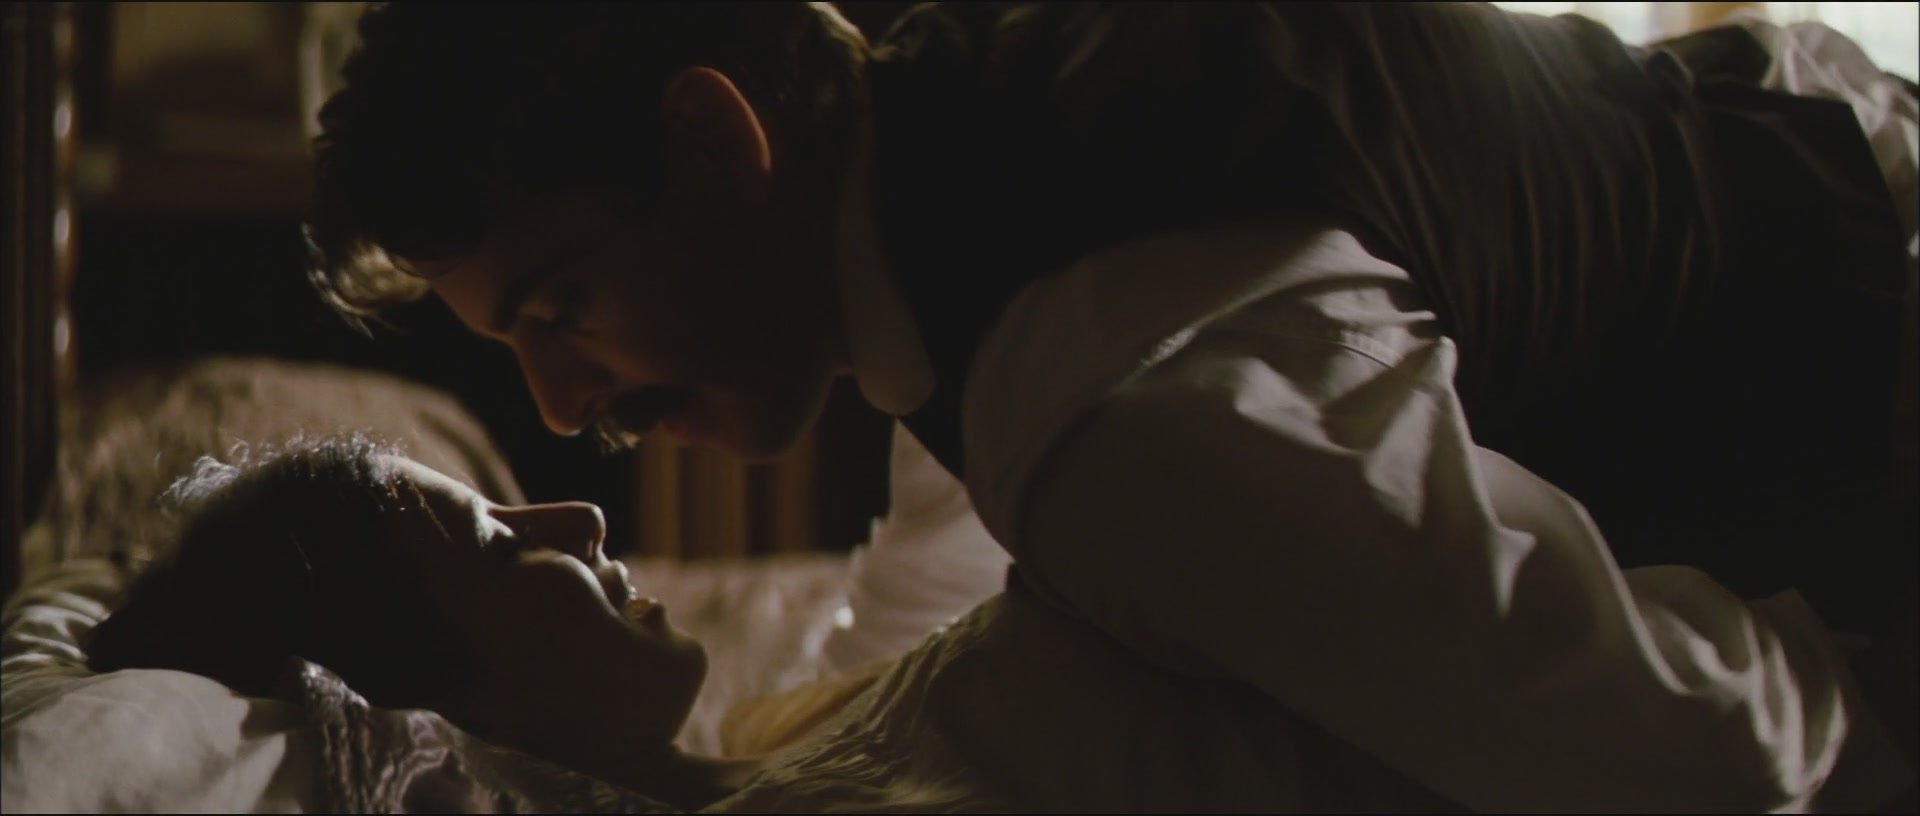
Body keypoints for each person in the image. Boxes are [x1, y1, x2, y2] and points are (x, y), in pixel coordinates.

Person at [301, 3, 1917, 811]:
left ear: (719, 149)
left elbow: (1685, 750)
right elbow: (938, 584)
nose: (563, 411)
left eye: (561, 309)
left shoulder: (1118, 410)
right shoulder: (960, 152)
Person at [88, 433, 1465, 812]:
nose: (585, 516)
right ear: (437, 714)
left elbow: (948, 530)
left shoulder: (790, 723)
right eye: (501, 546)